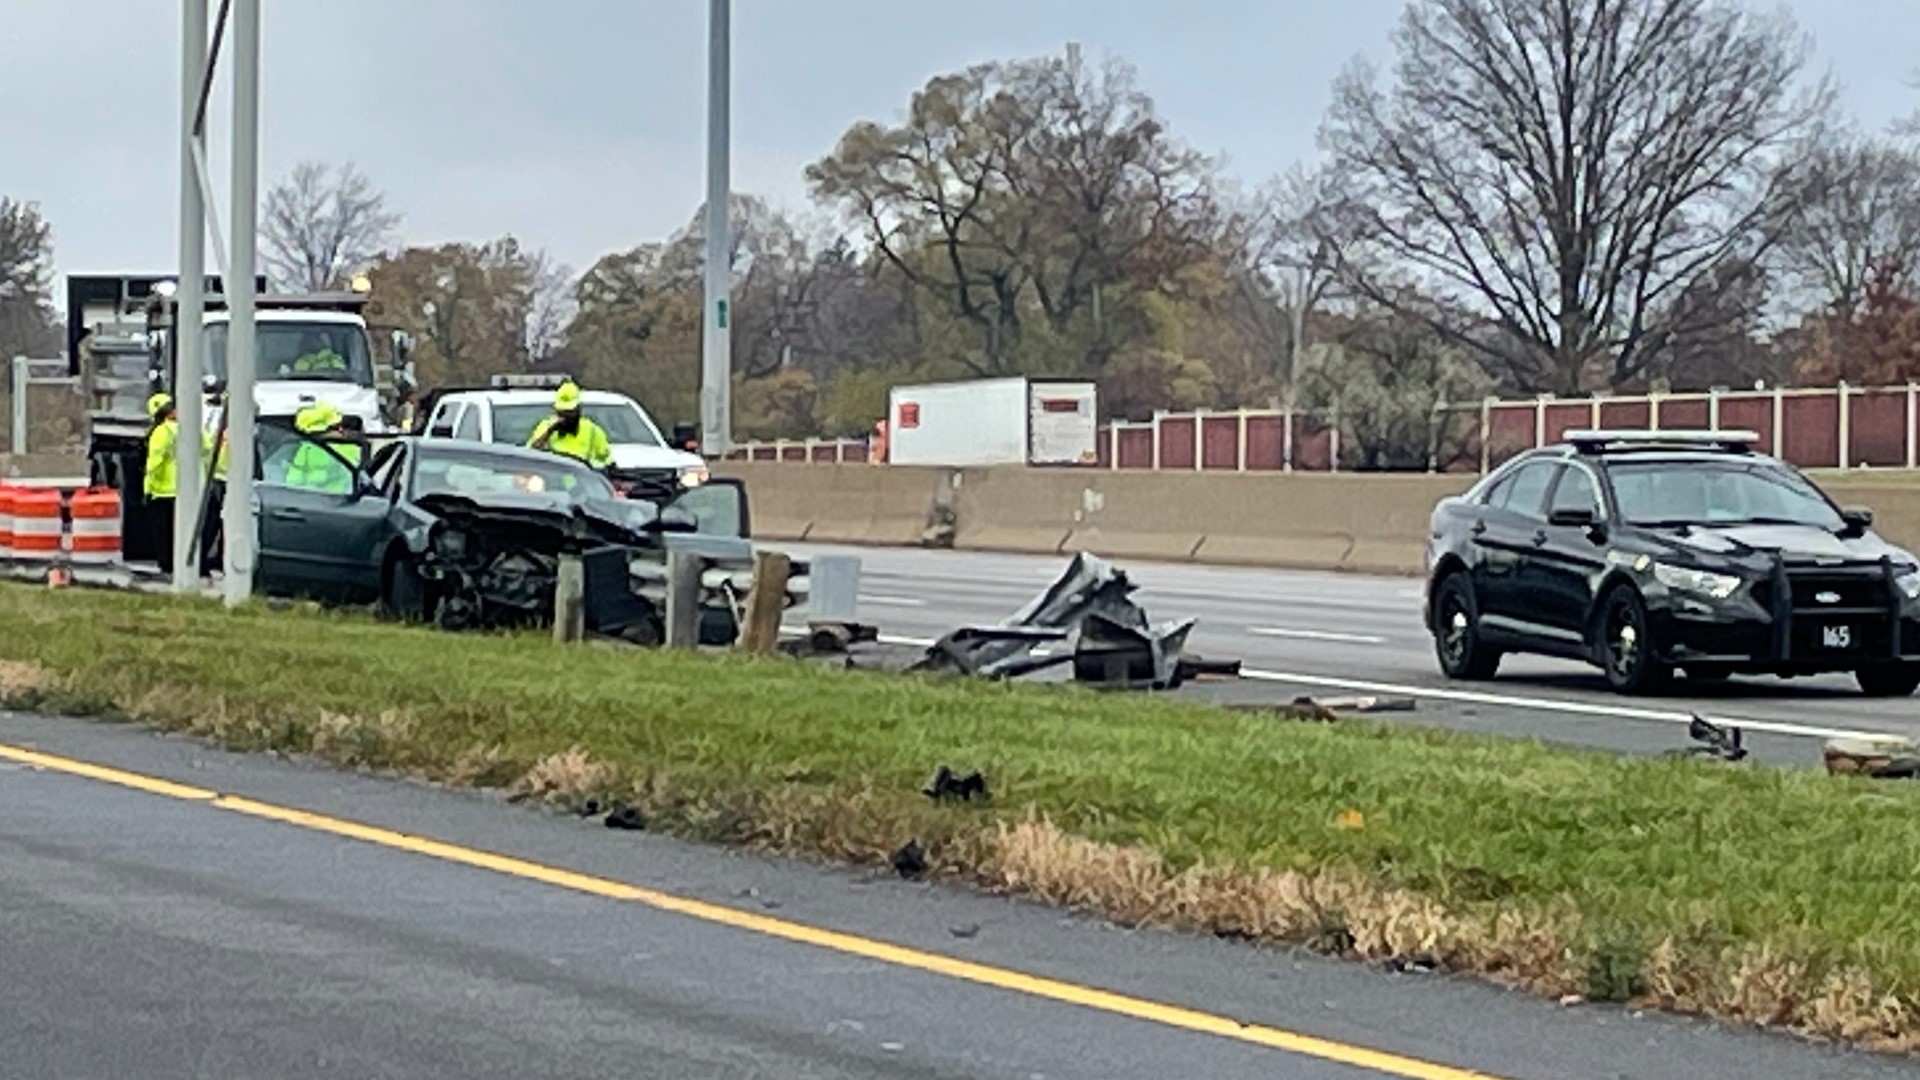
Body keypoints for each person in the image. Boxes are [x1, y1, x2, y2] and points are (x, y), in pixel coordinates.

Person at [526, 380, 612, 468]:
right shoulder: (546, 426)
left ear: (578, 409)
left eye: (569, 412)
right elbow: (530, 455)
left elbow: (607, 462)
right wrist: (549, 432)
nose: (564, 417)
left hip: (582, 478)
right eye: (561, 412)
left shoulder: (592, 431)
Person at [286, 403, 361, 494]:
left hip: (307, 500)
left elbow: (293, 480)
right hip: (341, 501)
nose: (341, 430)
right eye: (337, 427)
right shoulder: (351, 449)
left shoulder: (305, 448)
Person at [143, 392, 179, 569]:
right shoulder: (187, 427)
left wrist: (148, 487)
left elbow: (154, 463)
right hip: (183, 490)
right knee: (176, 531)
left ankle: (166, 565)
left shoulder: (160, 432)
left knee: (162, 532)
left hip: (162, 490)